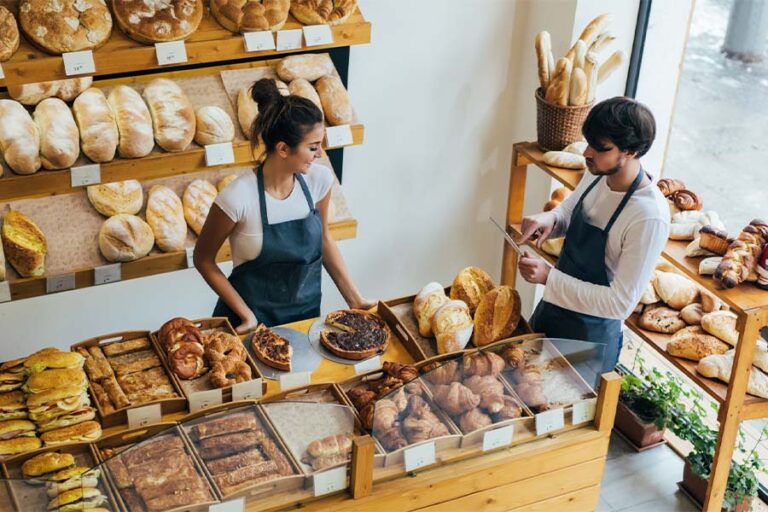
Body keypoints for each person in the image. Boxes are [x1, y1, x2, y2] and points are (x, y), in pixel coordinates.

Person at [194, 78, 373, 333]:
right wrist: (246, 316)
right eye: (313, 147)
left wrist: (355, 299)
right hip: (248, 326)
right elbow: (203, 259)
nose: (320, 154)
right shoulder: (237, 198)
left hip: (305, 320)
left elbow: (324, 239)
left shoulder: (319, 181)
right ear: (283, 148)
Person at [518, 97, 670, 371]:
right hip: (551, 315)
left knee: (557, 413)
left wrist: (548, 276)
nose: (587, 152)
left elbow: (619, 304)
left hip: (589, 344)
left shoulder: (649, 216)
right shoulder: (598, 170)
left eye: (600, 148)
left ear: (631, 151)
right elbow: (570, 211)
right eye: (589, 142)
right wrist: (550, 219)